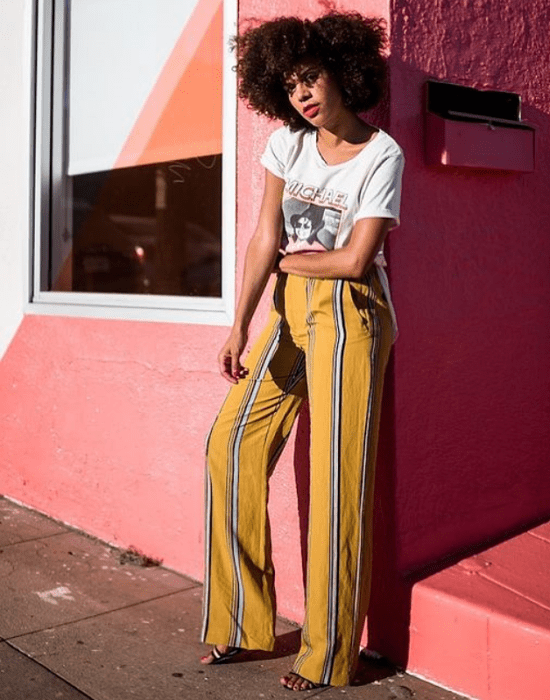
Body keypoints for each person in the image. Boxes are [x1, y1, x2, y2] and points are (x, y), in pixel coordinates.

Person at [199, 11, 404, 691]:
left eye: (309, 78)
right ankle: (239, 624)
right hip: (288, 315)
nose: (303, 96)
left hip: (349, 317)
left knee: (338, 483)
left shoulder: (382, 154)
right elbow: (264, 239)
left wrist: (294, 265)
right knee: (231, 445)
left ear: (339, 70)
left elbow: (354, 261)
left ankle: (327, 655)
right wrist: (239, 325)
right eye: (288, 88)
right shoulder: (286, 147)